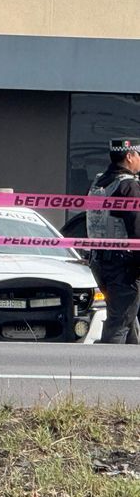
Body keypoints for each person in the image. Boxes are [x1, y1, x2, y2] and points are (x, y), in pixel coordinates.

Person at [85, 138, 140, 344]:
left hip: (99, 261)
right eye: (139, 155)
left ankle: (132, 370)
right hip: (124, 265)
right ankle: (106, 369)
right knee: (120, 321)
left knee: (127, 317)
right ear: (129, 156)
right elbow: (137, 229)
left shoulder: (99, 182)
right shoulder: (129, 186)